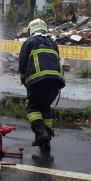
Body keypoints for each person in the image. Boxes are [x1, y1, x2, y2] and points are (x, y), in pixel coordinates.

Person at [18, 18, 65, 153]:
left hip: (38, 81)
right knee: (45, 106)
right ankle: (47, 138)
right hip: (57, 81)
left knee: (33, 106)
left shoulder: (29, 42)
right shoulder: (53, 43)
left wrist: (24, 81)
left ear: (31, 30)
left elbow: (22, 64)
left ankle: (40, 134)